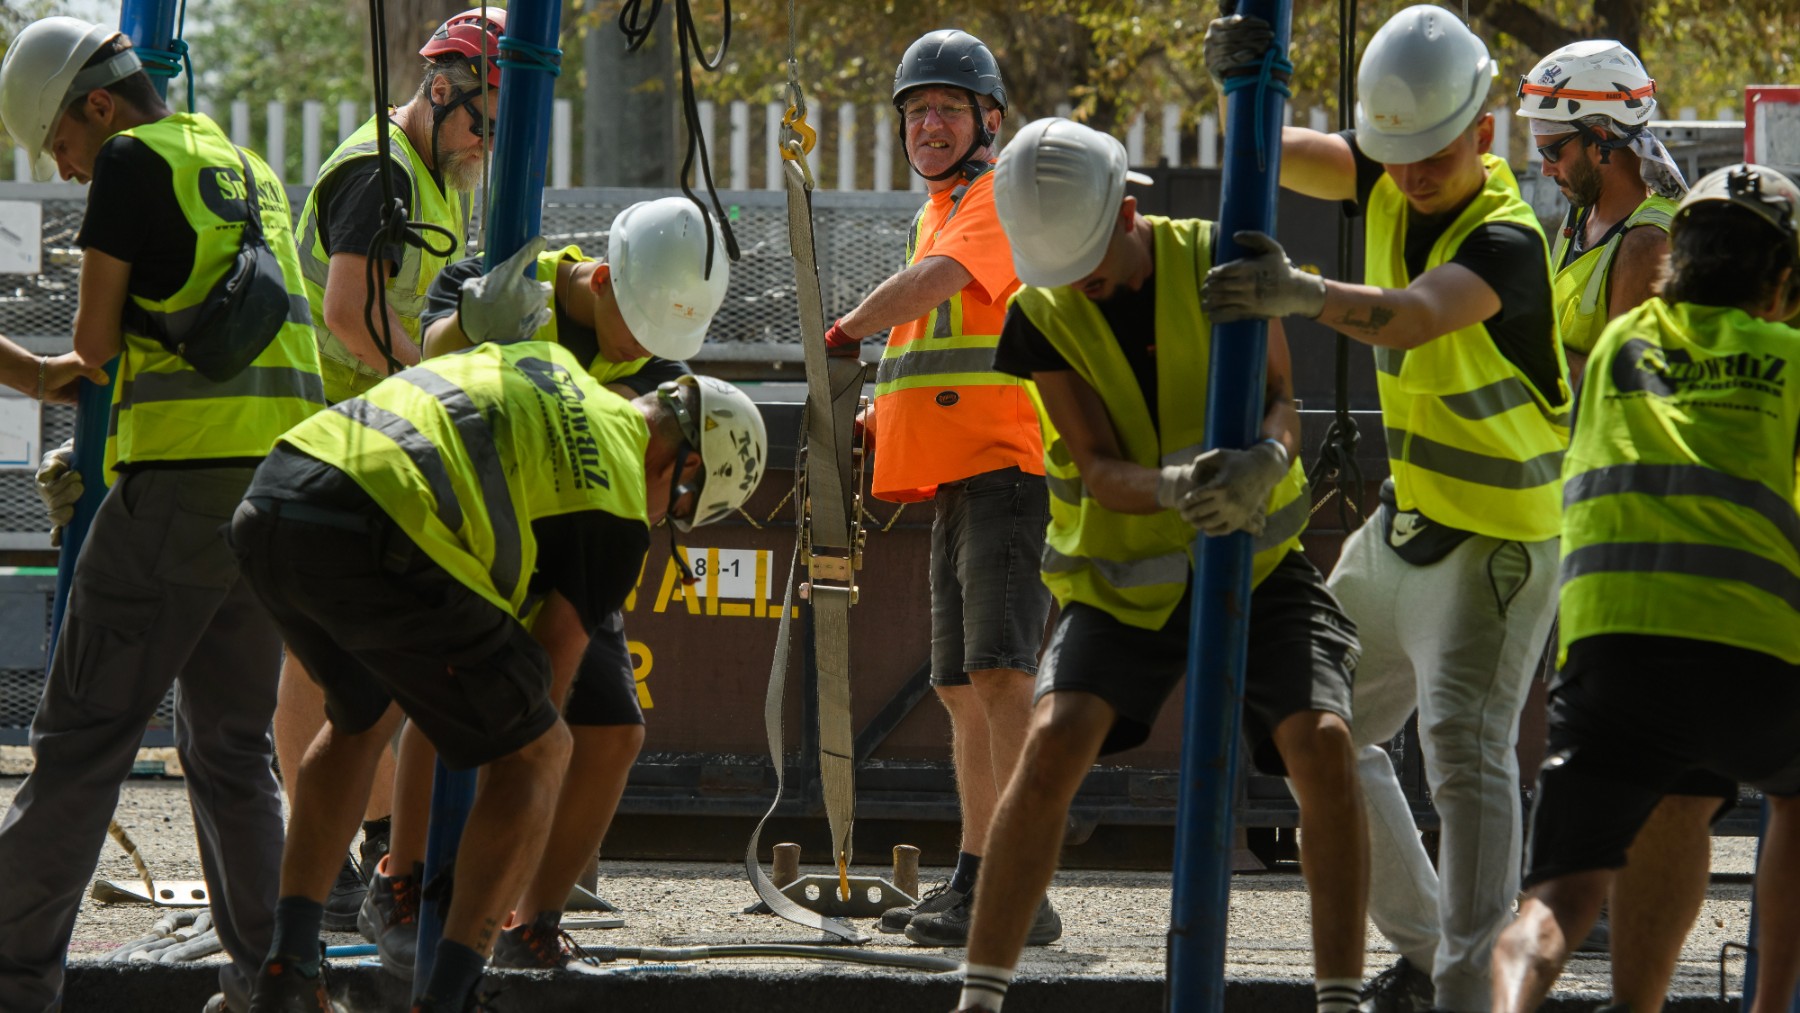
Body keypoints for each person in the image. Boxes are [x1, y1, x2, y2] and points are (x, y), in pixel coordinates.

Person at [944, 116, 1366, 1013]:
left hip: (1257, 564)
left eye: (1091, 265)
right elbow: (1095, 466)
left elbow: (1283, 401)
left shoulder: (1224, 258)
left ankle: (1338, 997)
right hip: (1121, 579)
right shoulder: (1043, 310)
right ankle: (979, 997)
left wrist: (1269, 458)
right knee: (1052, 744)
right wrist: (1180, 489)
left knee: (1323, 746)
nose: (1082, 288)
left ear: (1128, 214)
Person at [1202, 8, 1570, 1013]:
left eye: (1434, 154)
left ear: (1484, 135)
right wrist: (1242, 91)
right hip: (1407, 530)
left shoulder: (1504, 239)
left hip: (1499, 548)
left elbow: (1412, 314)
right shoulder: (1389, 164)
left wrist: (1298, 291)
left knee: (1464, 751)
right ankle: (1431, 952)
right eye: (1396, 154)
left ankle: (1471, 990)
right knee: (1314, 727)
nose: (1410, 175)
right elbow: (1275, 153)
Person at [233, 323, 767, 1012]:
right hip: (383, 520)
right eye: (680, 513)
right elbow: (536, 701)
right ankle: (450, 996)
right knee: (542, 751)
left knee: (360, 714)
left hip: (282, 491)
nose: (663, 516)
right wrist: (483, 859)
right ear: (684, 470)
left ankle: (288, 971)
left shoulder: (552, 366)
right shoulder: (617, 506)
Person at [0, 17, 325, 1013]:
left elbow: (93, 344)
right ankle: (274, 978)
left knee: (83, 740)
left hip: (178, 493)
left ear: (98, 106)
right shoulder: (245, 169)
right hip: (280, 502)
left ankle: (10, 978)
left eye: (59, 144)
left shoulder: (132, 165)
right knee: (232, 748)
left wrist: (72, 361)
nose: (62, 169)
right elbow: (98, 366)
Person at [346, 198, 726, 976]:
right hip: (480, 529)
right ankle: (401, 881)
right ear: (606, 279)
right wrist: (471, 327)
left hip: (569, 549)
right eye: (640, 326)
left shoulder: (658, 358)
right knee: (450, 693)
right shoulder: (505, 281)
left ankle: (533, 923)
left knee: (613, 731)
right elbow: (423, 371)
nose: (645, 348)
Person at [1490, 163, 1800, 1013]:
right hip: (1756, 659)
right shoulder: (1790, 358)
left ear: (1678, 260)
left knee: (1554, 899)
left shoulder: (1616, 352)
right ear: (1784, 277)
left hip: (1612, 656)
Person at [825, 29, 1056, 946]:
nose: (928, 123)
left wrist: (840, 334)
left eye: (947, 108)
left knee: (1002, 679)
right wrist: (879, 414)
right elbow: (934, 346)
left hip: (1004, 470)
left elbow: (936, 287)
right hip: (960, 479)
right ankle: (976, 876)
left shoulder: (995, 196)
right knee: (963, 687)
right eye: (916, 110)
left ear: (988, 120)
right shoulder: (939, 207)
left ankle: (1021, 887)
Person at [285, 7, 503, 932]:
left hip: (358, 429)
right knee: (314, 658)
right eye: (485, 117)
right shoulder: (380, 170)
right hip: (318, 426)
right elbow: (347, 310)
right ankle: (324, 855)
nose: (487, 140)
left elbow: (414, 304)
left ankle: (363, 843)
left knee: (353, 655)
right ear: (444, 87)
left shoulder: (436, 170)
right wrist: (430, 390)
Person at [1515, 40, 1687, 385]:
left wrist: (1518, 345)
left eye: (1551, 153)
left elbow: (1622, 390)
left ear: (1597, 139)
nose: (1546, 171)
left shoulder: (1647, 246)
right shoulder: (1581, 213)